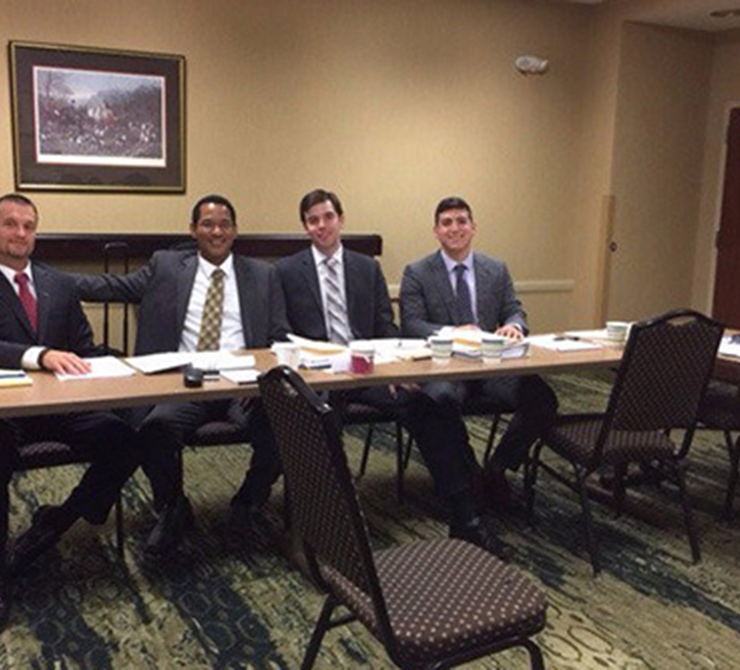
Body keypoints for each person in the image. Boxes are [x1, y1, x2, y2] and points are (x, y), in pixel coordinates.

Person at [0, 193, 139, 635]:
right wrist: (42, 354)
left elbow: (84, 348)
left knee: (128, 438)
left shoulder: (59, 284)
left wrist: (114, 369)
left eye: (29, 226)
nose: (20, 234)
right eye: (10, 224)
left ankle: (57, 520)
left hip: (59, 407)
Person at [276, 189, 499, 553]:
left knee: (427, 403)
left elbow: (386, 328)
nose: (321, 225)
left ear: (341, 219)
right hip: (317, 376)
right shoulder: (285, 271)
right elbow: (279, 331)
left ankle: (465, 515)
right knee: (315, 424)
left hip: (367, 372)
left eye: (327, 217)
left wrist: (396, 369)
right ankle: (324, 528)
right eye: (313, 220)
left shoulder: (366, 267)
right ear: (305, 226)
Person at [74, 194, 290, 558]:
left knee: (286, 425)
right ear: (193, 230)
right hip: (185, 384)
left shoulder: (263, 275)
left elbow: (280, 336)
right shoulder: (167, 266)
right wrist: (48, 279)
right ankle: (172, 508)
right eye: (207, 224)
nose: (216, 231)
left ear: (235, 231)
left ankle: (248, 502)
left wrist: (262, 376)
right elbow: (116, 288)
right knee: (155, 428)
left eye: (224, 224)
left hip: (243, 386)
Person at [399, 196, 558, 510]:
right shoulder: (417, 272)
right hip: (445, 368)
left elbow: (515, 310)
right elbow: (411, 324)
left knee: (542, 398)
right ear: (436, 231)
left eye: (461, 221)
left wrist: (514, 325)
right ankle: (468, 474)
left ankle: (497, 470)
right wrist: (452, 333)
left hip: (491, 367)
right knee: (437, 402)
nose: (454, 228)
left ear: (473, 227)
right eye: (447, 223)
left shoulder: (495, 269)